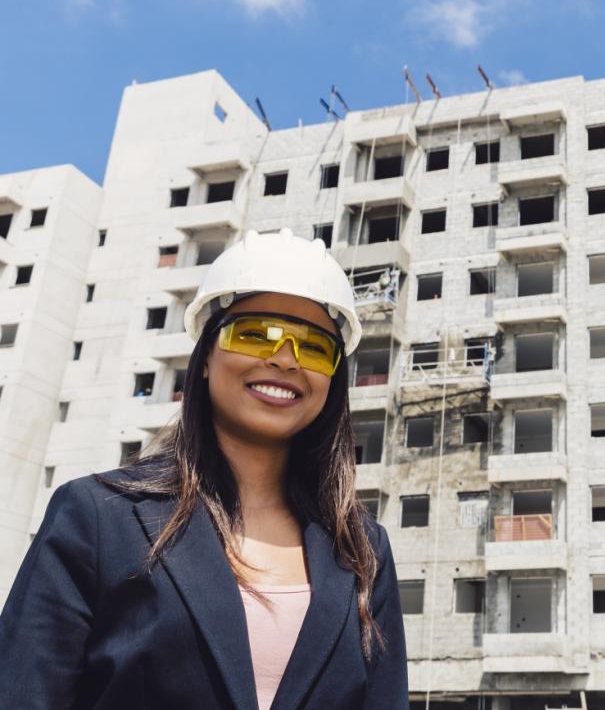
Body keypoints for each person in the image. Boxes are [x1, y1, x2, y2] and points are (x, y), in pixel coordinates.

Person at [0, 229, 409, 709]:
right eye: (256, 335)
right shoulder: (98, 516)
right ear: (207, 360)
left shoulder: (362, 549)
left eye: (314, 347)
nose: (284, 359)